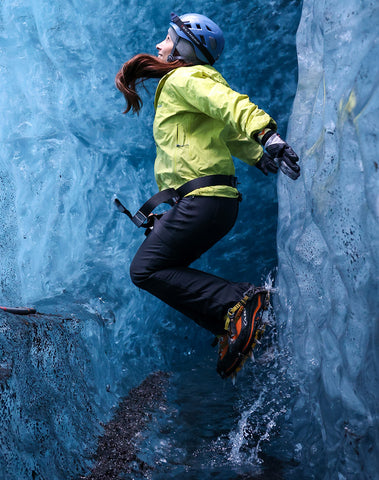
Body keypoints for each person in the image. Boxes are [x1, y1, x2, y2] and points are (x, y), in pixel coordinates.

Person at [115, 13, 300, 379]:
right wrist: (256, 155)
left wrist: (266, 134)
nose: (159, 45)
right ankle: (233, 324)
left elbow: (227, 103)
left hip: (204, 201)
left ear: (184, 49)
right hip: (211, 203)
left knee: (145, 269)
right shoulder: (184, 82)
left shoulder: (186, 78)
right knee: (162, 269)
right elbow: (226, 131)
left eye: (167, 39)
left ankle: (242, 302)